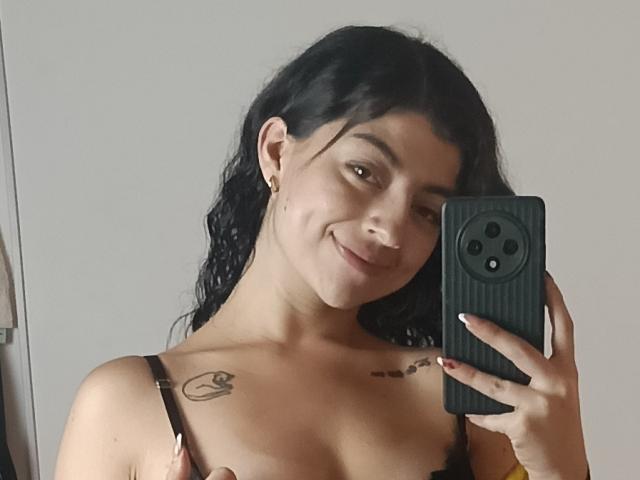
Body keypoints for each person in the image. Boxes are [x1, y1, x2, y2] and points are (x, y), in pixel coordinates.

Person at [54, 25, 589, 480]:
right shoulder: (125, 405)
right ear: (276, 152)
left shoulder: (465, 395)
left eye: (427, 211)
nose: (390, 229)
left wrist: (564, 465)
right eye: (363, 171)